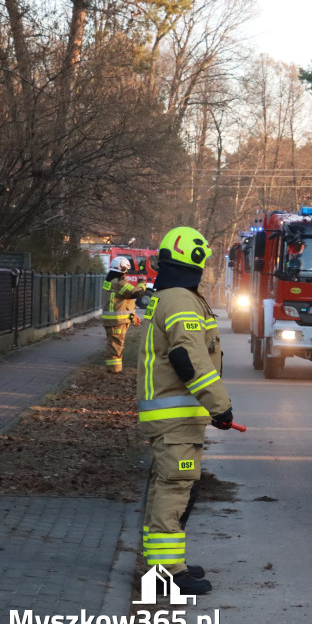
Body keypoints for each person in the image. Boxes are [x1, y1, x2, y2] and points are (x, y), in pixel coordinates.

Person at [136, 226, 235, 595]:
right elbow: (188, 357)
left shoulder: (170, 295)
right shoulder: (180, 299)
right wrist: (220, 406)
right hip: (176, 417)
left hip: (172, 416)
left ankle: (161, 564)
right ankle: (165, 575)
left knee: (170, 488)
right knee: (175, 489)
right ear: (196, 259)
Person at [102, 256, 146, 373]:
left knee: (114, 344)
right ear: (123, 270)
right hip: (117, 321)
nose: (127, 274)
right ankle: (114, 370)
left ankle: (113, 369)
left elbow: (123, 300)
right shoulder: (119, 283)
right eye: (126, 271)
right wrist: (142, 282)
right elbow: (136, 293)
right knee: (116, 345)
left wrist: (132, 315)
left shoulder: (110, 281)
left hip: (114, 320)